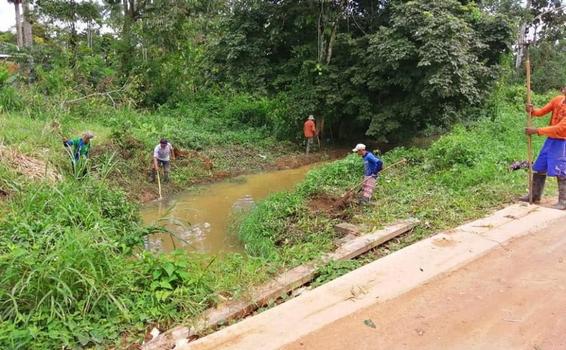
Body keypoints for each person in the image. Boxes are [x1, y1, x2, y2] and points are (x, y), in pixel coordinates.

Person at [522, 85, 566, 209]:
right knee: (540, 166)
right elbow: (541, 111)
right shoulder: (558, 100)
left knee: (560, 169)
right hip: (551, 140)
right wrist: (532, 110)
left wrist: (537, 130)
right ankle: (535, 195)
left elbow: (560, 129)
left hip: (562, 141)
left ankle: (564, 201)